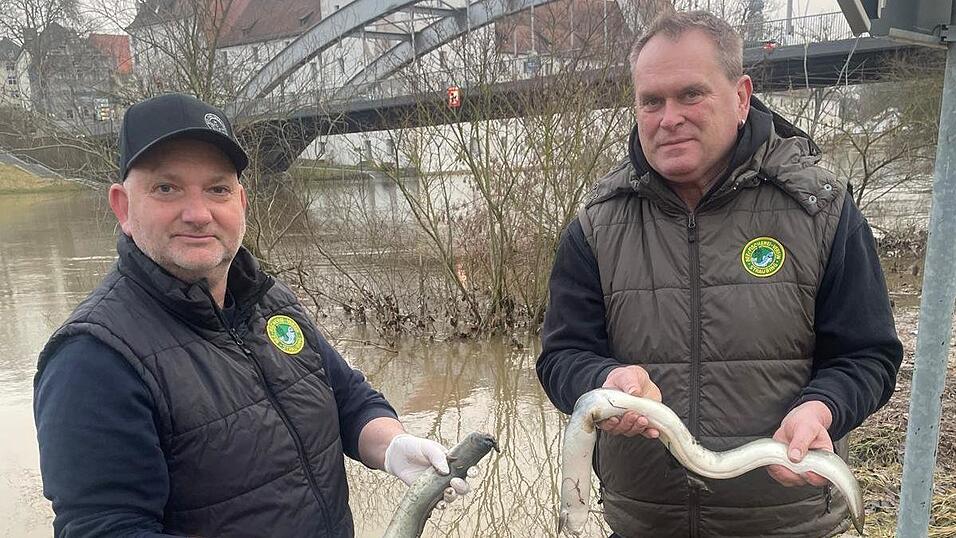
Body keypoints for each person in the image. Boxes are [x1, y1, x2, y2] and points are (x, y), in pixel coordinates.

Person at [34, 93, 469, 537]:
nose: (198, 213)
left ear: (241, 201)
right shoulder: (93, 358)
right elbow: (105, 529)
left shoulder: (268, 300)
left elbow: (348, 397)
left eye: (217, 189)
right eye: (167, 188)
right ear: (123, 206)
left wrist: (393, 446)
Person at [536, 11, 902, 538]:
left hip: (788, 523)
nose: (669, 118)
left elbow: (869, 355)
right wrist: (603, 384)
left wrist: (823, 410)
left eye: (691, 94)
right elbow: (562, 356)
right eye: (651, 101)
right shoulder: (595, 222)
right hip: (643, 523)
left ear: (741, 95)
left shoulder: (820, 209)